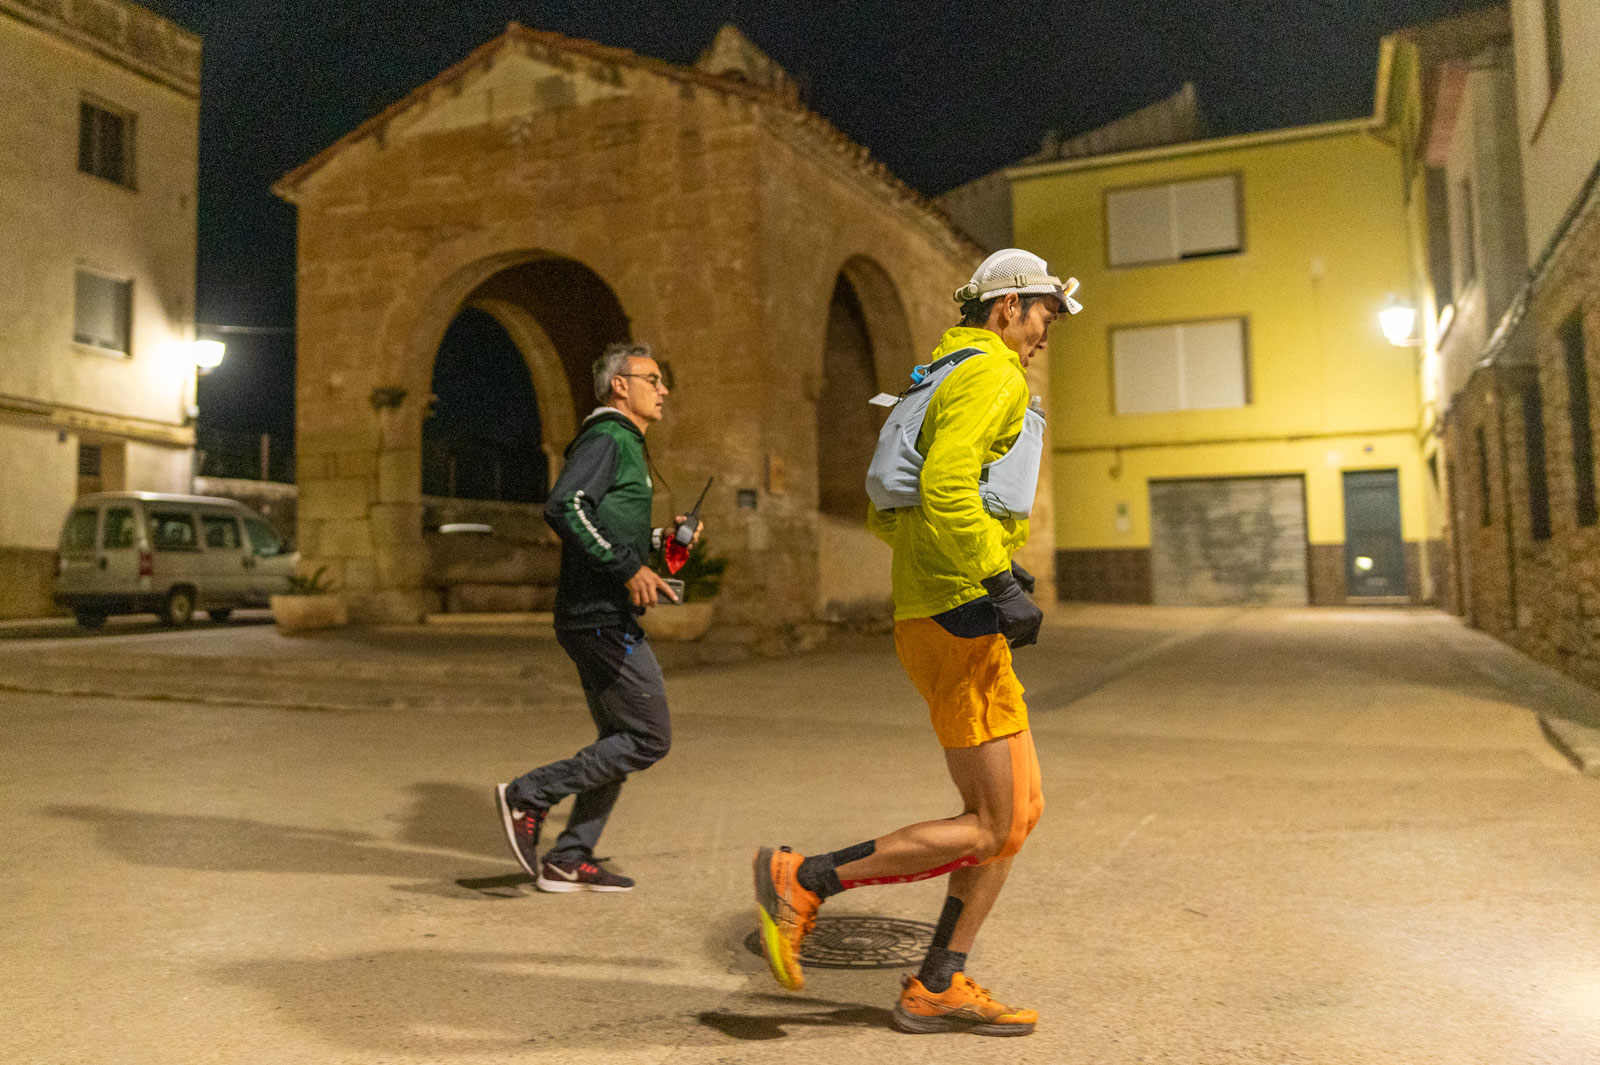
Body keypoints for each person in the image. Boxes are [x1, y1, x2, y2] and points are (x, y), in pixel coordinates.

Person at [753, 249, 1078, 1035]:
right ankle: (805, 878)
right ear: (1007, 307)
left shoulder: (935, 374)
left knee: (1019, 809)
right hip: (960, 615)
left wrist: (977, 567)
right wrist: (992, 577)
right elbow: (946, 487)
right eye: (1044, 312)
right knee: (994, 822)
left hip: (932, 611)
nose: (1046, 331)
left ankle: (939, 980)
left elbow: (888, 509)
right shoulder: (993, 373)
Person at [496, 341, 700, 893]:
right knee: (648, 737)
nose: (663, 390)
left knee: (619, 737)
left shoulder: (624, 442)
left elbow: (605, 521)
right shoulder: (609, 436)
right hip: (598, 617)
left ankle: (569, 857)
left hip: (601, 614)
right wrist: (626, 566)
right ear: (620, 385)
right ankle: (529, 794)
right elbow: (565, 505)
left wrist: (659, 540)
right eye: (653, 379)